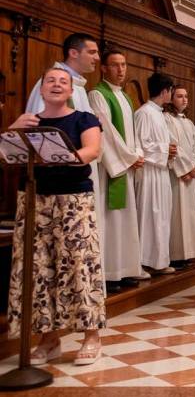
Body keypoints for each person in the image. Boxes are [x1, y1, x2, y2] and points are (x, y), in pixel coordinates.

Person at [8, 67, 104, 366]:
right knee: (38, 268)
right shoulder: (29, 122)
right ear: (42, 88)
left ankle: (91, 336)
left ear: (71, 90)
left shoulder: (83, 119)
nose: (56, 85)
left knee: (78, 263)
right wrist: (15, 127)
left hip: (73, 199)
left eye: (63, 81)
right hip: (35, 200)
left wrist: (58, 155)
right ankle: (48, 340)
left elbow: (91, 150)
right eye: (51, 80)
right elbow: (9, 152)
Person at [88, 49, 149, 294]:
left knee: (125, 220)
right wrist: (129, 158)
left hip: (126, 164)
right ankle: (110, 273)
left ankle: (124, 269)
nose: (121, 70)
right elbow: (107, 133)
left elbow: (132, 132)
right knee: (110, 220)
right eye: (115, 65)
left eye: (123, 65)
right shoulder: (97, 95)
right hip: (110, 169)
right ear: (103, 68)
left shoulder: (125, 97)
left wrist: (137, 154)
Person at [135, 73, 177, 275]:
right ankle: (142, 262)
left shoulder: (159, 113)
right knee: (148, 216)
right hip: (149, 173)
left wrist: (169, 151)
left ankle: (158, 260)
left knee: (161, 217)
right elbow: (141, 144)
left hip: (160, 172)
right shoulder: (144, 113)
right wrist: (165, 149)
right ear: (165, 91)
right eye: (171, 90)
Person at [164, 86, 195, 268]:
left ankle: (189, 252)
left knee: (189, 214)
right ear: (171, 99)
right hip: (177, 175)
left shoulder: (188, 123)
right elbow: (173, 147)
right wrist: (187, 169)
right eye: (180, 96)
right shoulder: (167, 119)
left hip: (189, 174)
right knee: (176, 215)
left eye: (186, 96)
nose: (184, 99)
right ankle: (175, 254)